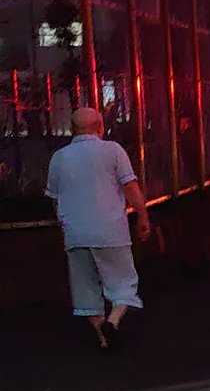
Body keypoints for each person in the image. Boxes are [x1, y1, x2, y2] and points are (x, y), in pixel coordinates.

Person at [45, 107, 151, 351]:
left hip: (75, 233)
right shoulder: (113, 150)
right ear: (100, 127)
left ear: (72, 130)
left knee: (85, 289)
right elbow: (130, 187)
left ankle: (102, 338)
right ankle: (113, 321)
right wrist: (143, 216)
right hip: (111, 230)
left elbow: (54, 197)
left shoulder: (59, 157)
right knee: (124, 283)